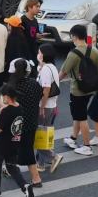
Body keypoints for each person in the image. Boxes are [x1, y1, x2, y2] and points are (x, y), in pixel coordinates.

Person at [0, 83, 34, 197]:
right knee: (12, 167)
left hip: (2, 144)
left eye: (3, 96)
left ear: (7, 96)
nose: (2, 98)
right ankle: (25, 186)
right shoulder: (19, 107)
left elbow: (0, 128)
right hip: (14, 143)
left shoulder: (6, 111)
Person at [59, 24, 98, 156]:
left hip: (78, 90)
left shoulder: (73, 53)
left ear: (74, 36)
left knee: (81, 117)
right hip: (90, 88)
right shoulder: (94, 50)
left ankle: (87, 146)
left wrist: (54, 83)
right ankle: (73, 138)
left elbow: (64, 72)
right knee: (78, 114)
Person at [8, 58, 43, 187]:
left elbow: (8, 107)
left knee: (19, 149)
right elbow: (39, 96)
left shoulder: (11, 88)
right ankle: (10, 169)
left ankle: (36, 178)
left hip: (16, 124)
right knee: (23, 148)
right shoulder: (34, 83)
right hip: (32, 121)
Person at [35, 43, 63, 174]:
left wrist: (41, 106)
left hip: (45, 107)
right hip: (51, 105)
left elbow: (46, 90)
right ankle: (40, 164)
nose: (38, 54)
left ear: (44, 55)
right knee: (43, 134)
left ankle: (53, 157)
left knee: (38, 135)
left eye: (40, 52)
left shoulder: (46, 69)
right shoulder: (50, 67)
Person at [3, 15, 29, 83]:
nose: (7, 25)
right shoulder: (23, 37)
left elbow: (7, 55)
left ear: (11, 26)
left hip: (11, 68)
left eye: (8, 24)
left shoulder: (10, 38)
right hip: (21, 66)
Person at [20, 0, 43, 64]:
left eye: (39, 6)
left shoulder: (35, 20)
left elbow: (35, 34)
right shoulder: (22, 20)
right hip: (24, 51)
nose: (39, 9)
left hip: (33, 50)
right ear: (30, 7)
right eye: (37, 6)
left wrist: (39, 35)